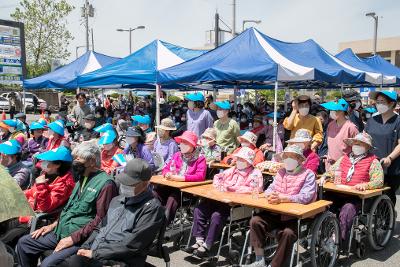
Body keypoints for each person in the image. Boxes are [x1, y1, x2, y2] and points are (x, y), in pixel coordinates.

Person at [16, 142, 118, 267]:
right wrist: (53, 225)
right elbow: (69, 208)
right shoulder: (81, 178)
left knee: (47, 264)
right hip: (61, 230)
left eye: (78, 159)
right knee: (25, 243)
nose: (74, 162)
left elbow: (101, 220)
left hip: (80, 239)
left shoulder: (105, 184)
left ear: (91, 161)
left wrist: (73, 239)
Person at [58, 159, 165, 267]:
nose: (125, 186)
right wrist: (85, 247)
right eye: (124, 182)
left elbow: (133, 245)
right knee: (63, 262)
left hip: (122, 260)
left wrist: (96, 253)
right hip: (97, 252)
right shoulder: (117, 200)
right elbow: (99, 228)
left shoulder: (152, 208)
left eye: (130, 184)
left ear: (145, 184)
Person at [243, 145, 317, 267]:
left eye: (291, 157)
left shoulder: (308, 174)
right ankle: (259, 260)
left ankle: (274, 265)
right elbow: (270, 189)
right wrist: (270, 195)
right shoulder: (280, 172)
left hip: (294, 217)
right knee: (255, 221)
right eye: (285, 157)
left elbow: (306, 196)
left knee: (288, 233)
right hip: (276, 213)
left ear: (299, 159)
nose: (287, 159)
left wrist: (283, 198)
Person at [190, 147, 263, 258]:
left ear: (248, 162)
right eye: (238, 158)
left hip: (236, 205)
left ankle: (207, 245)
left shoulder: (255, 173)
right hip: (220, 199)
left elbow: (256, 189)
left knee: (216, 216)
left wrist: (234, 189)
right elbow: (217, 177)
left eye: (242, 159)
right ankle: (199, 240)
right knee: (200, 209)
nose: (238, 161)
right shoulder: (232, 170)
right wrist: (220, 185)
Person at [323, 132, 383, 244]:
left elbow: (379, 181)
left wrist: (365, 185)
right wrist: (325, 177)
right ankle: (321, 233)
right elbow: (331, 171)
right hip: (338, 193)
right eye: (355, 142)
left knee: (347, 209)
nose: (356, 145)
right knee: (323, 203)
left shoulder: (373, 161)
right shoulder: (344, 158)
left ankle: (337, 241)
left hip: (357, 198)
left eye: (360, 144)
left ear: (367, 147)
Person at [154, 131, 207, 224]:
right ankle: (153, 220)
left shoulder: (200, 158)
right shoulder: (177, 155)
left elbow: (200, 176)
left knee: (172, 198)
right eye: (181, 142)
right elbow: (165, 168)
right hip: (172, 185)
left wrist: (182, 178)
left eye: (185, 143)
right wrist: (167, 173)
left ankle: (164, 224)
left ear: (192, 145)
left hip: (187, 190)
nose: (182, 145)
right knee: (155, 192)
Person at [365, 90, 400, 205]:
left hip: (391, 166)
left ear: (391, 104)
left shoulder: (398, 121)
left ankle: (388, 219)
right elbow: (365, 138)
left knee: (388, 196)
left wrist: (390, 158)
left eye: (382, 102)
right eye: (377, 101)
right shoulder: (372, 120)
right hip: (371, 165)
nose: (379, 104)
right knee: (372, 196)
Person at [321, 98, 359, 170]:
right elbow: (329, 145)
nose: (332, 112)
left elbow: (357, 147)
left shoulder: (351, 127)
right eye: (331, 110)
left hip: (345, 166)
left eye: (335, 110)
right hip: (330, 166)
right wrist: (327, 155)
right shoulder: (330, 125)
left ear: (342, 111)